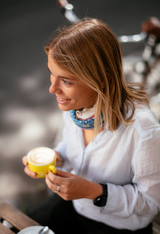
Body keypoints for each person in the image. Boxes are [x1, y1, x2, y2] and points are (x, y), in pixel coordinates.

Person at [22, 18, 160, 234]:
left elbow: (151, 203)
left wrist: (94, 192)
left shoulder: (143, 131)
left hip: (120, 227)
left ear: (101, 80)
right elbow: (70, 149)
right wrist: (55, 157)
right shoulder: (75, 108)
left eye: (66, 81)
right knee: (13, 226)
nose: (52, 89)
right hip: (77, 209)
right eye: (52, 74)